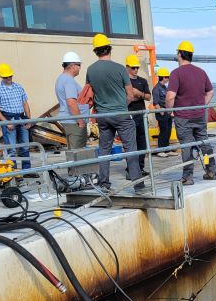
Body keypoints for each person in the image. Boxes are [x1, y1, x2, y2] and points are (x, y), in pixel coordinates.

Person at [85, 33, 144, 191]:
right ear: (109, 49)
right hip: (121, 114)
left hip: (103, 116)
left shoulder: (91, 70)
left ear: (96, 51)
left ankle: (104, 183)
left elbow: (89, 92)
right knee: (130, 148)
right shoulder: (119, 68)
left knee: (104, 150)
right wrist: (121, 105)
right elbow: (130, 95)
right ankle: (137, 183)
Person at [164, 40, 216, 185]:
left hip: (183, 118)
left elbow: (170, 96)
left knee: (186, 147)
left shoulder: (176, 73)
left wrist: (170, 111)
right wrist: (202, 105)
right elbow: (210, 91)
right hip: (200, 116)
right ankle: (211, 170)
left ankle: (188, 177)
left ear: (180, 54)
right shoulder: (201, 72)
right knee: (204, 144)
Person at [0, 63, 32, 169]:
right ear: (1, 76)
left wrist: (28, 119)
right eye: (6, 76)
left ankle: (27, 170)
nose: (8, 78)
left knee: (25, 146)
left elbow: (25, 103)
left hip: (21, 117)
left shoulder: (19, 87)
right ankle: (13, 172)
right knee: (11, 148)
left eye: (10, 76)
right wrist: (5, 122)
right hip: (8, 118)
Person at [55, 51, 88, 151]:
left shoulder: (61, 78)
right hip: (74, 122)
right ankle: (74, 168)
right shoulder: (68, 80)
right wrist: (80, 120)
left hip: (69, 121)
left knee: (72, 152)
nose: (79, 68)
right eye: (79, 65)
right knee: (77, 153)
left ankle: (72, 167)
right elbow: (71, 102)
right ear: (73, 65)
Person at [125, 54, 152, 175]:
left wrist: (138, 94)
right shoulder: (124, 81)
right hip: (129, 115)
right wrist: (135, 96)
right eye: (133, 68)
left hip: (141, 115)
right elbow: (125, 98)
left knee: (142, 142)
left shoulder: (142, 81)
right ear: (127, 68)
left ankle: (140, 167)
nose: (135, 70)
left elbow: (148, 96)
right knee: (131, 143)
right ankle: (130, 169)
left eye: (137, 67)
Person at [151, 67, 176, 157]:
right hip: (162, 114)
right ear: (163, 77)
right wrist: (161, 112)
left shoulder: (165, 88)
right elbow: (155, 103)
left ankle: (167, 149)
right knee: (163, 131)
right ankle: (161, 150)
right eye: (167, 77)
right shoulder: (156, 89)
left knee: (168, 131)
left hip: (168, 113)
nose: (168, 79)